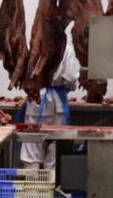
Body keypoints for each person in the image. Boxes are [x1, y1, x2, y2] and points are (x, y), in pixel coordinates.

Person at [19, 41, 79, 171]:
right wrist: (64, 86)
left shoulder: (35, 45)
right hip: (58, 104)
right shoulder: (66, 48)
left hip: (36, 99)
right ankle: (50, 182)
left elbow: (24, 75)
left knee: (32, 147)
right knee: (54, 150)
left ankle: (32, 182)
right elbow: (71, 78)